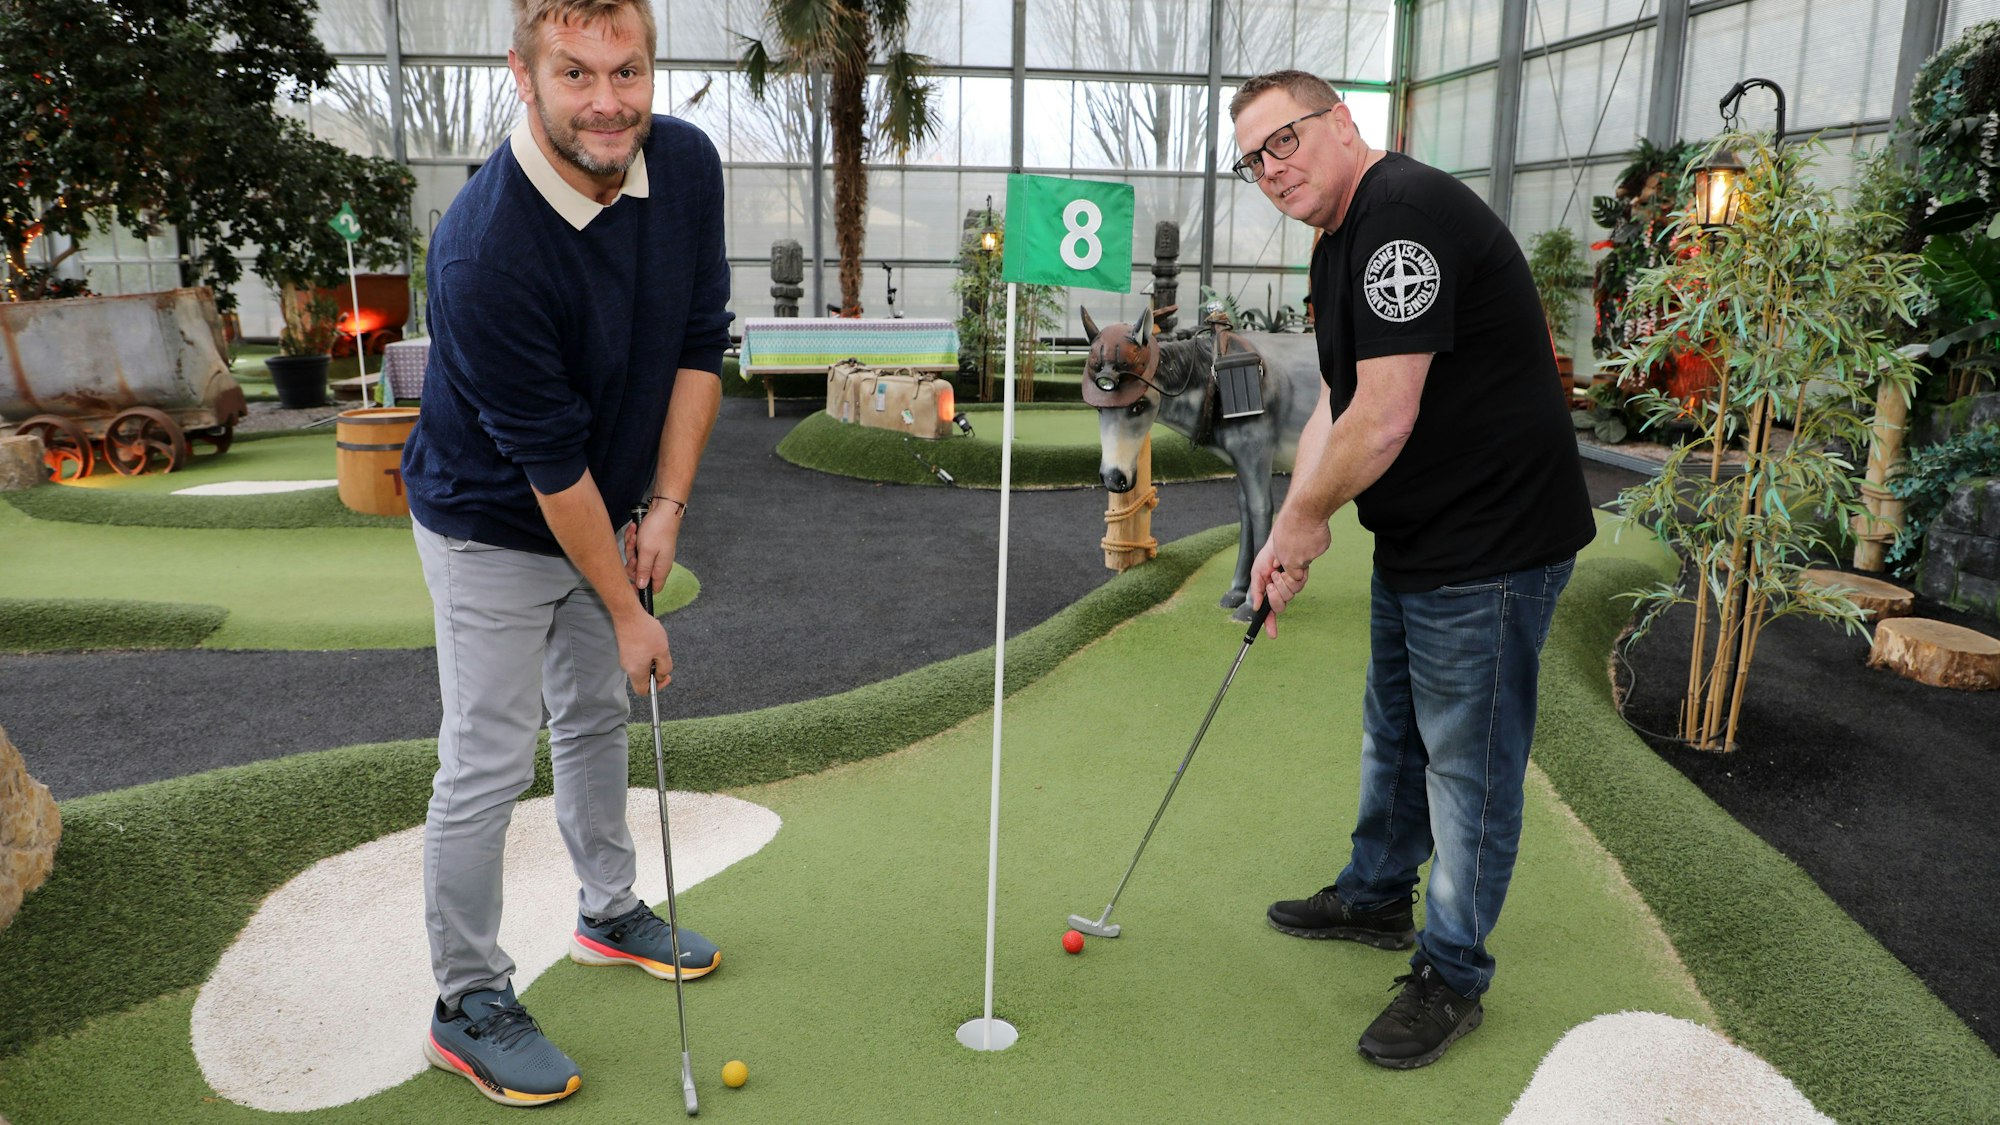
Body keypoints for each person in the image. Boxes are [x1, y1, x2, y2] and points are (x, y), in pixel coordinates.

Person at [397, 0, 731, 1105]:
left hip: (612, 496)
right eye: (576, 73)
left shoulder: (680, 165)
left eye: (627, 70)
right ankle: (466, 999)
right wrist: (632, 609)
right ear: (523, 74)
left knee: (594, 715)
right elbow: (545, 468)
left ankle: (606, 911)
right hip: (488, 516)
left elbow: (695, 346)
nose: (608, 100)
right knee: (488, 757)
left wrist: (668, 505)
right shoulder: (483, 248)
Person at [1234, 70, 1596, 1069]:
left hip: (1494, 546)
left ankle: (1449, 971)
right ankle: (1372, 895)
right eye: (1253, 158)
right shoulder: (1334, 239)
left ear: (1341, 122)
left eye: (1286, 140)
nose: (1272, 168)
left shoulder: (1399, 219)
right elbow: (1335, 405)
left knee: (1466, 768)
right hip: (1424, 538)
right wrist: (1283, 526)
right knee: (1393, 731)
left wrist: (1310, 521)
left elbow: (1386, 417)